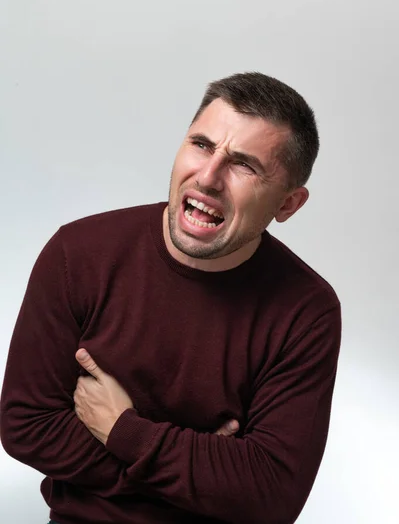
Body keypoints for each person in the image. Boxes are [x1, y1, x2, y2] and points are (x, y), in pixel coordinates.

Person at [0, 72, 341, 524]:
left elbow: (270, 495)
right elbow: (27, 425)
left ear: (288, 205)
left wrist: (124, 431)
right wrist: (193, 477)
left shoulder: (307, 311)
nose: (209, 177)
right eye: (201, 144)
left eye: (244, 165)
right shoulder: (77, 255)